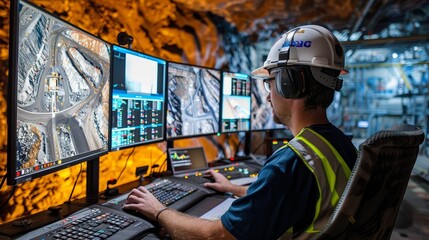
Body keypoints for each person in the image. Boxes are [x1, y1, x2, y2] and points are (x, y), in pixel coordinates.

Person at [123, 24, 357, 240]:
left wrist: (159, 211)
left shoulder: (291, 163)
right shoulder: (340, 144)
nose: (267, 95)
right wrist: (232, 188)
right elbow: (288, 197)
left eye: (272, 81)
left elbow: (217, 236)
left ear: (290, 82)